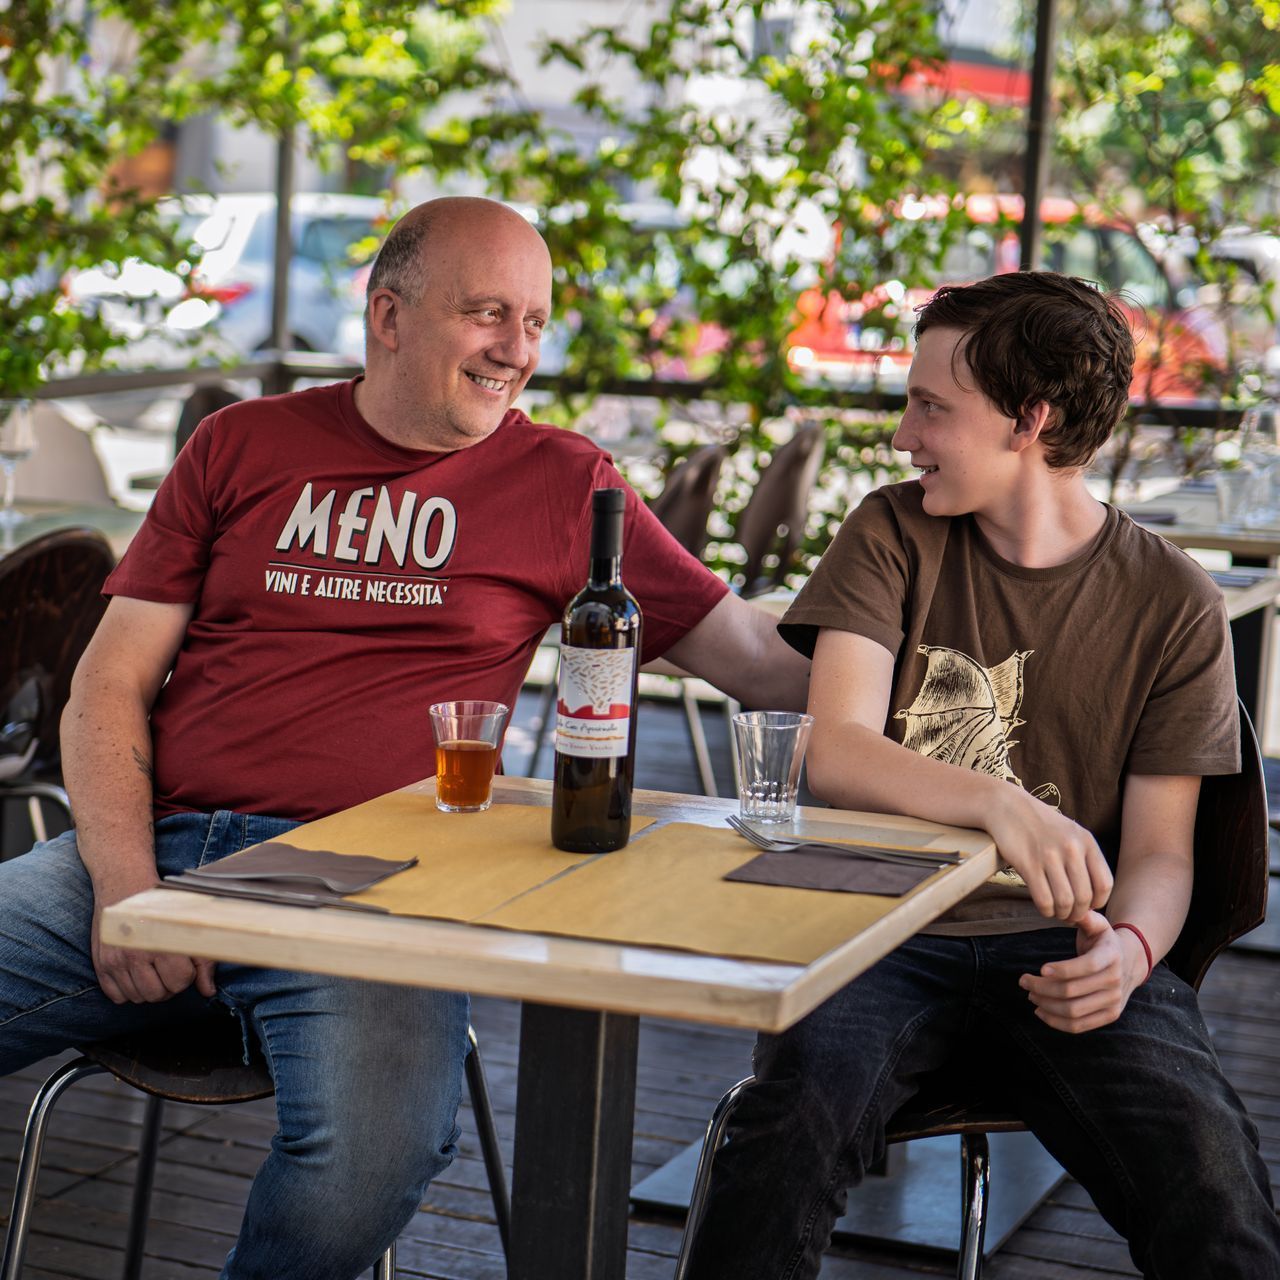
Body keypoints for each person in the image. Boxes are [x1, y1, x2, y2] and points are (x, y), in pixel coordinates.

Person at [0, 197, 810, 1280]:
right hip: (163, 843)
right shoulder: (241, 443)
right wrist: (130, 886)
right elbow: (106, 681)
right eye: (486, 314)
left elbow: (756, 659)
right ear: (387, 314)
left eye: (532, 320)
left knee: (370, 1157)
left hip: (381, 882)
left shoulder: (567, 484)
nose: (516, 350)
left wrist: (937, 648)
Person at [684, 271, 1280, 1280]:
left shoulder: (1170, 601)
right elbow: (833, 746)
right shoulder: (889, 530)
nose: (903, 436)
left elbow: (1161, 855)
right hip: (873, 928)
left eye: (930, 407)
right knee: (778, 1145)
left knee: (1214, 1192)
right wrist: (1002, 808)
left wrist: (1129, 952)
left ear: (1027, 420)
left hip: (1068, 947)